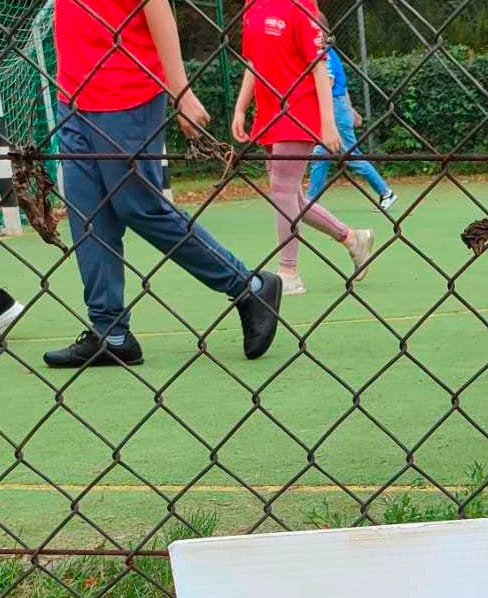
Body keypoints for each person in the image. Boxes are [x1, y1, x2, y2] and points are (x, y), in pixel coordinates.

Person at [44, 0, 281, 369]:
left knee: (140, 207)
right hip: (72, 99)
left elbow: (158, 11)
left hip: (127, 93)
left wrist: (180, 91)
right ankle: (110, 332)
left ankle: (249, 287)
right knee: (87, 214)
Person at [233, 0, 374, 297]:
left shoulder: (301, 5)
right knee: (289, 195)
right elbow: (253, 62)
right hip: (269, 111)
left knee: (282, 190)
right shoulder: (252, 5)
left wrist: (328, 123)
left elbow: (318, 65)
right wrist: (241, 108)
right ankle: (352, 238)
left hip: (299, 108)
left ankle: (289, 272)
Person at [304, 35, 396, 213]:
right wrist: (350, 109)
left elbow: (329, 82)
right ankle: (311, 202)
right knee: (320, 156)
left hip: (335, 109)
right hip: (338, 107)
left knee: (350, 155)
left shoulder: (325, 53)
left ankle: (386, 193)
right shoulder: (329, 53)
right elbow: (343, 87)